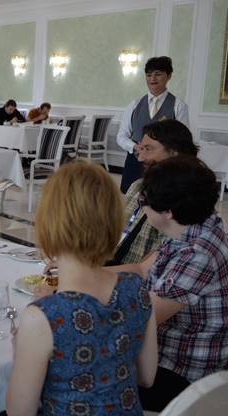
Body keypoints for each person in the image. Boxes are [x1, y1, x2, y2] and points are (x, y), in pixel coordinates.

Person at [6, 160, 157, 416]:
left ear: (48, 224)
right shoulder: (137, 289)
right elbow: (147, 377)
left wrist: (19, 346)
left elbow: (19, 411)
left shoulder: (43, 316)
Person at [109, 156, 228, 412]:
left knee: (78, 377)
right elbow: (141, 269)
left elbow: (143, 315)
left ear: (168, 212)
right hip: (163, 352)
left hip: (181, 371)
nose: (141, 208)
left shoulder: (197, 253)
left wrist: (75, 296)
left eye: (144, 203)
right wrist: (84, 273)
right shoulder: (195, 225)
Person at [109, 119, 198, 265]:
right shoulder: (138, 186)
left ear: (174, 154)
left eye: (148, 149)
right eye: (141, 149)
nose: (141, 158)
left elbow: (148, 270)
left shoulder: (186, 200)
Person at [117, 56, 189, 193]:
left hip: (163, 165)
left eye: (158, 74)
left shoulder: (179, 106)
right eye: (149, 75)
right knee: (130, 200)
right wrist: (134, 147)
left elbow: (183, 140)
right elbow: (121, 136)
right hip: (136, 160)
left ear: (168, 76)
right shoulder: (134, 105)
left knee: (158, 199)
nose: (152, 79)